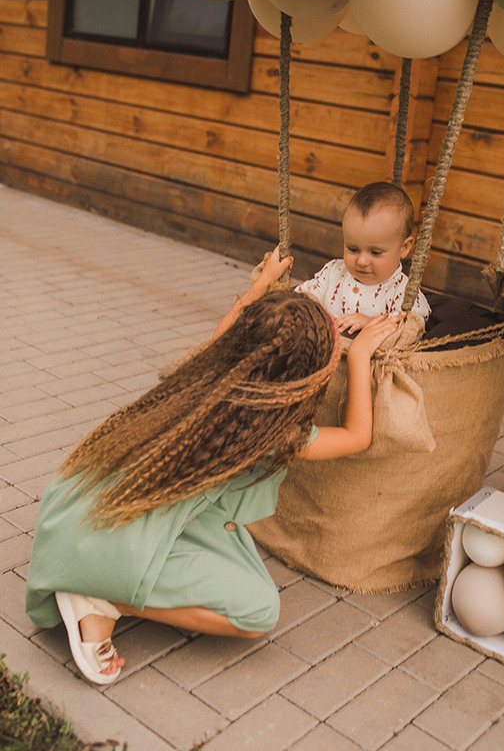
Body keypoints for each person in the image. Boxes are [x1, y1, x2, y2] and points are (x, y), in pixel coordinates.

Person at [25, 247, 401, 685]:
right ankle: (104, 600)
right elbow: (358, 437)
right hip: (103, 547)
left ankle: (102, 583)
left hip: (72, 509)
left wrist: (260, 287)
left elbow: (229, 330)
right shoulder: (272, 433)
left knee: (233, 543)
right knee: (258, 609)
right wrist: (358, 359)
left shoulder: (204, 374)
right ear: (302, 379)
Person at [296, 181, 431, 334]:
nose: (362, 261)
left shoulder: (403, 291)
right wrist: (309, 302)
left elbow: (414, 328)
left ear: (404, 248)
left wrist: (369, 322)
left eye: (375, 252)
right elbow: (309, 292)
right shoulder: (334, 271)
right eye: (353, 249)